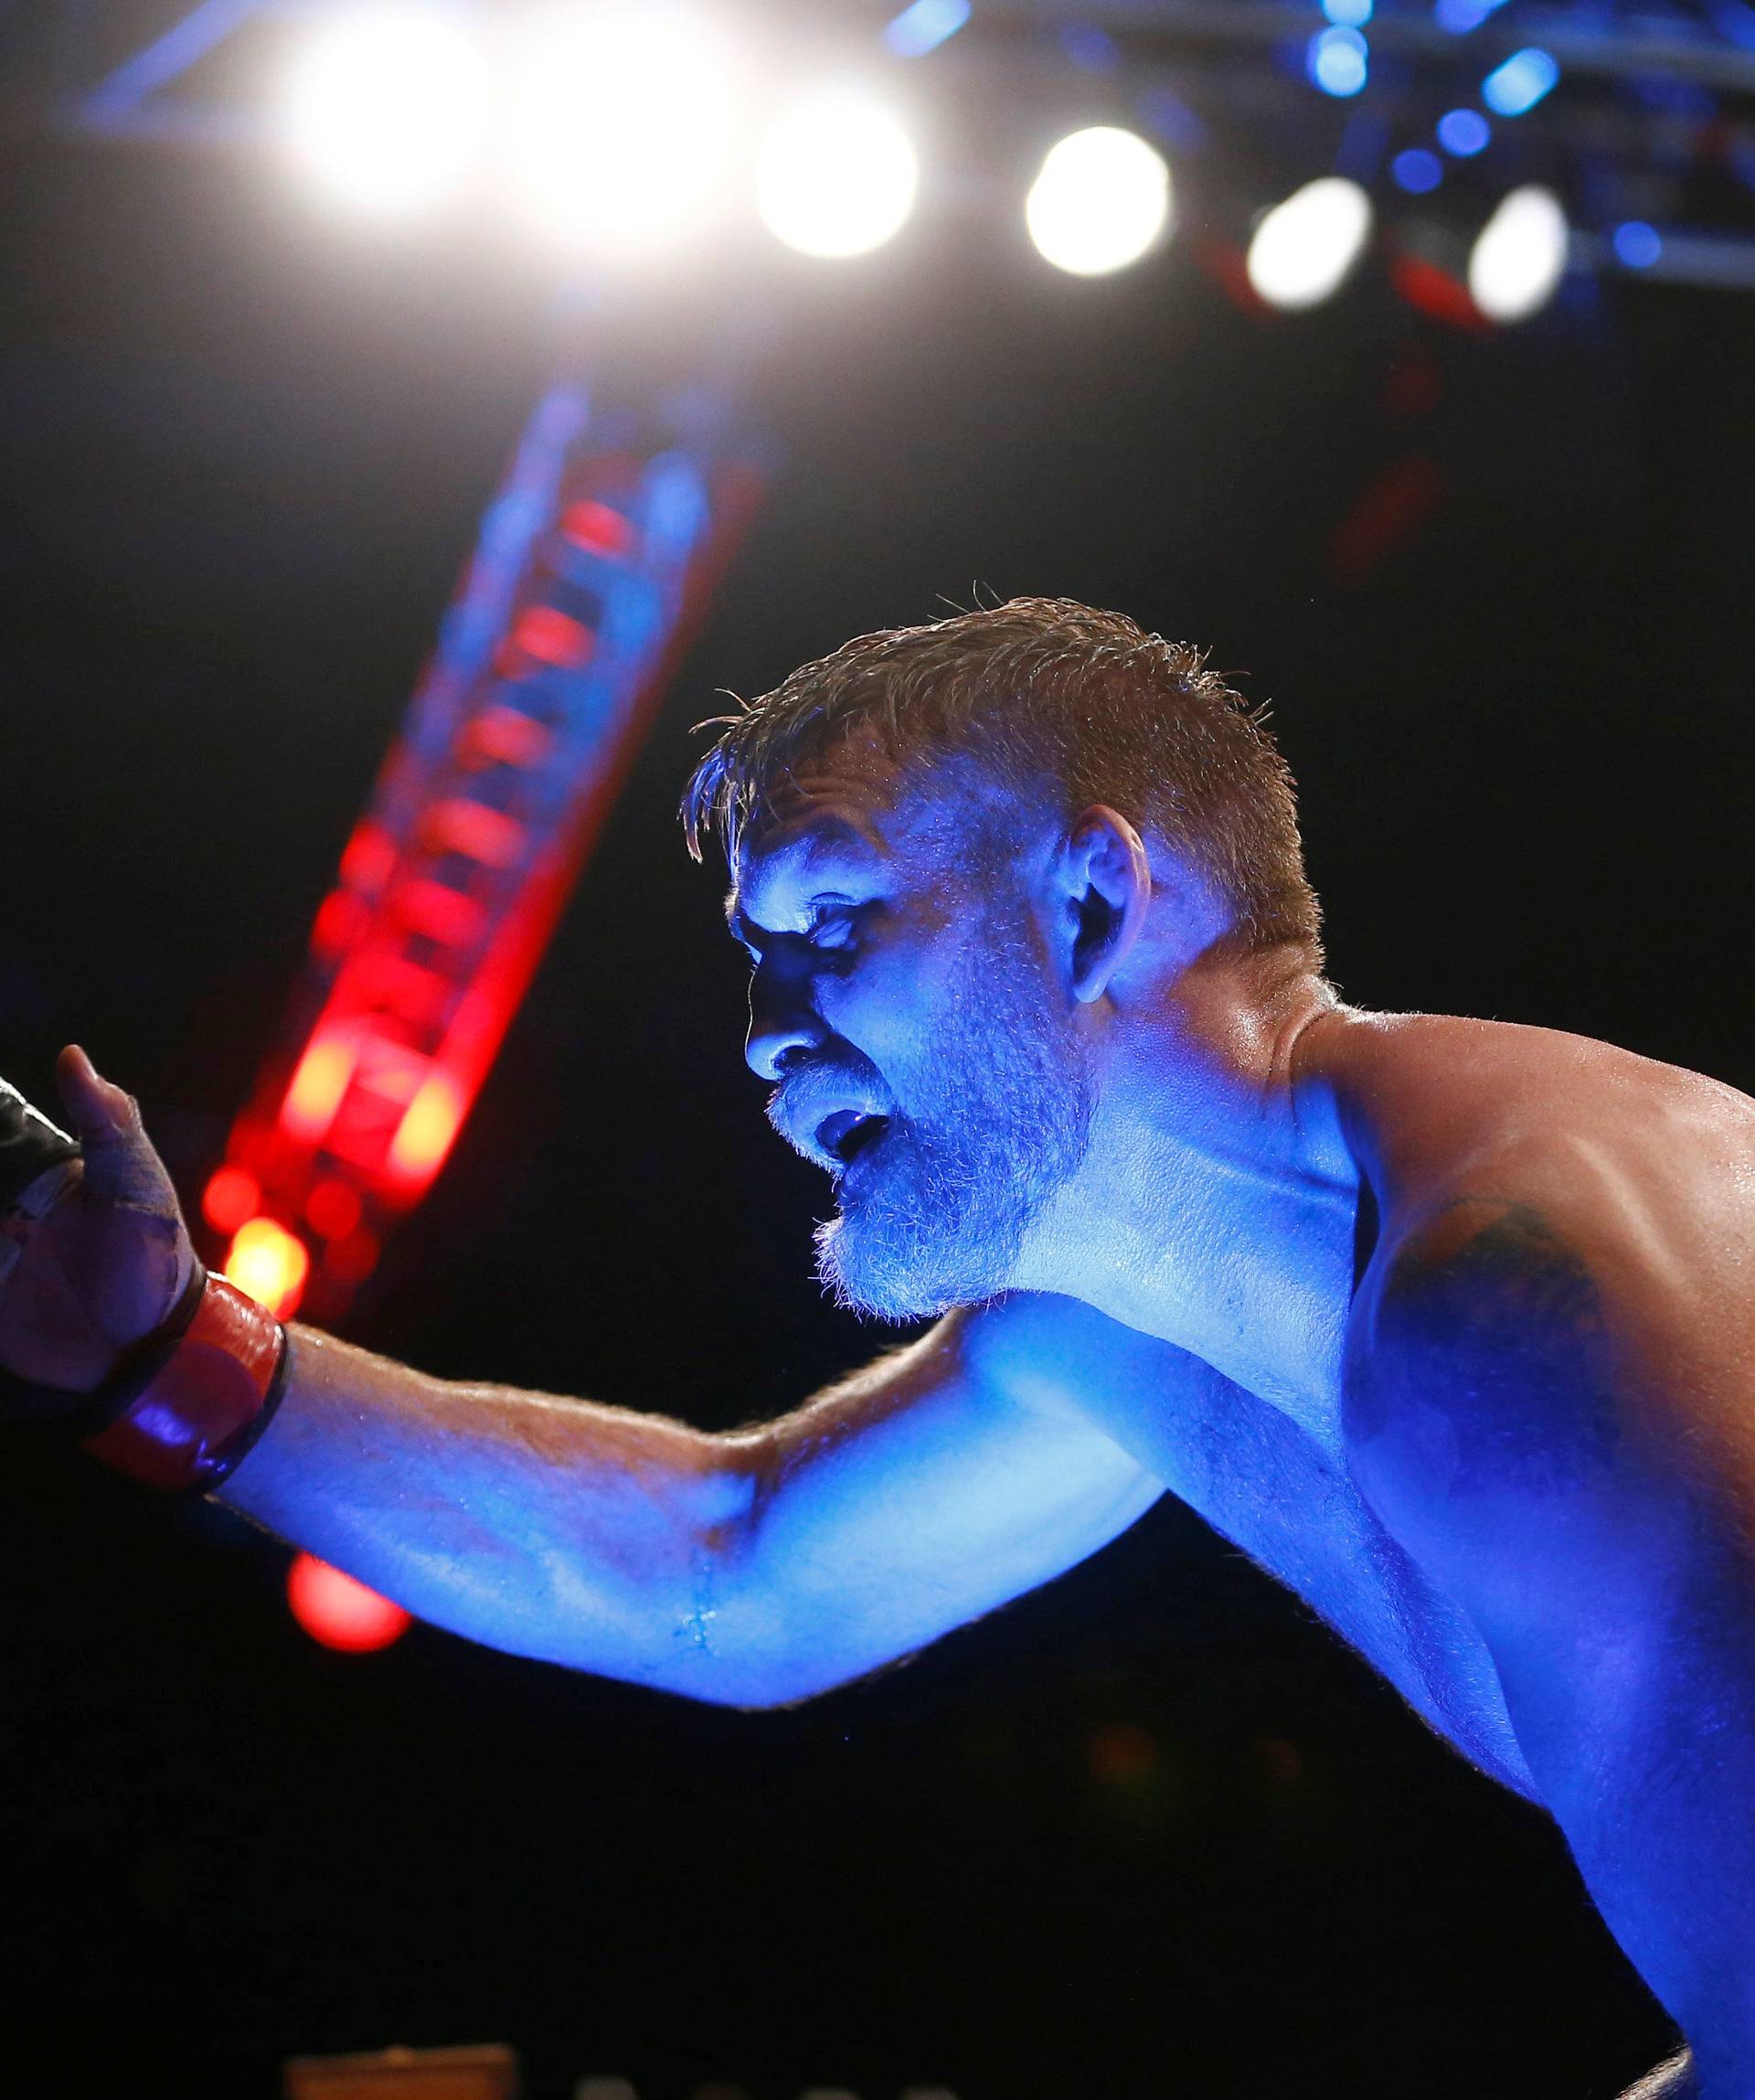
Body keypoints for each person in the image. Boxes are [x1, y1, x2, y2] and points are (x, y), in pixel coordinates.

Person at [1, 596, 1749, 2098]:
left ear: (1089, 901)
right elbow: (731, 1564)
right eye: (758, 963)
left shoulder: (1522, 1305)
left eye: (838, 921)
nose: (768, 1040)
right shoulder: (1141, 1318)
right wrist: (161, 1356)